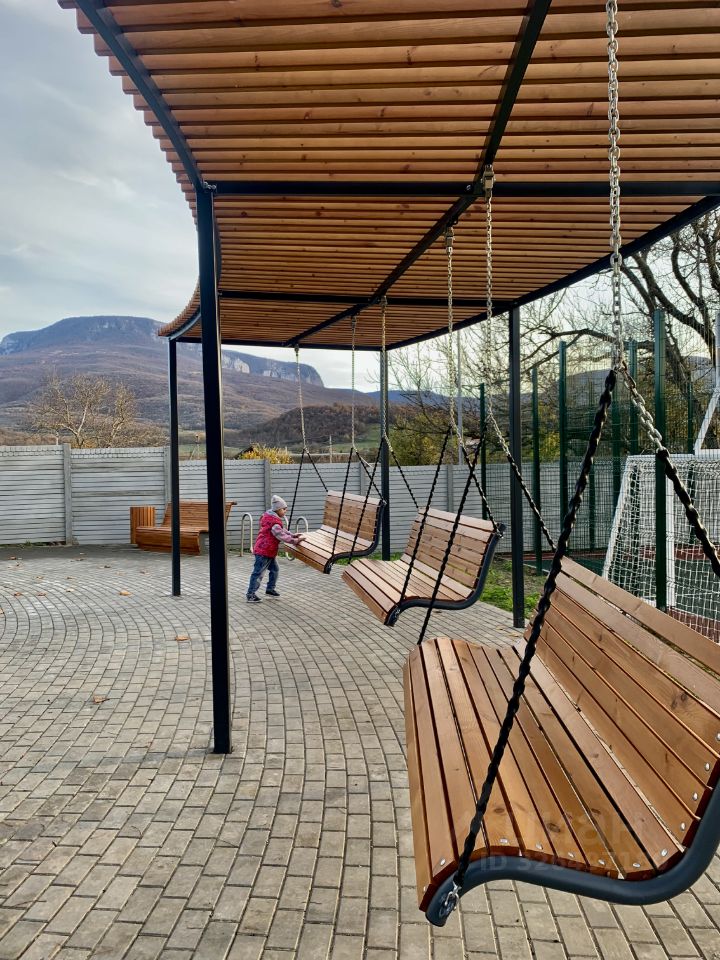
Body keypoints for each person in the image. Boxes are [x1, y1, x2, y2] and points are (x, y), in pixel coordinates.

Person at [246, 494, 304, 602]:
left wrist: (292, 535)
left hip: (269, 551)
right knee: (258, 573)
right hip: (263, 551)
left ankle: (270, 589)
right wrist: (295, 541)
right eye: (284, 509)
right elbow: (280, 535)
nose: (285, 511)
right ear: (278, 509)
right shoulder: (274, 522)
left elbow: (282, 530)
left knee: (275, 570)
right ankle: (250, 594)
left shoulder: (271, 518)